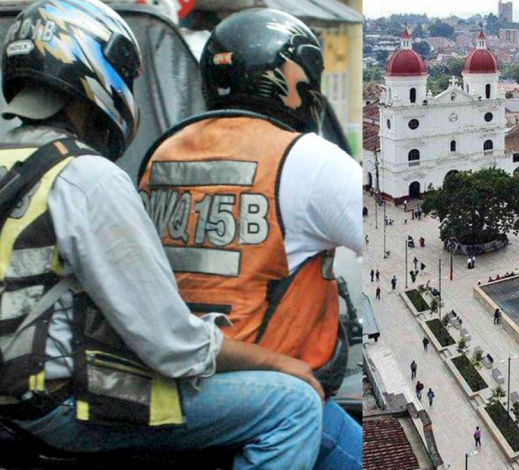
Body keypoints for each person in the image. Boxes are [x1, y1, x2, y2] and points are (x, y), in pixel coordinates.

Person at [0, 2, 322, 469]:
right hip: (58, 406)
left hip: (13, 403)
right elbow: (173, 347)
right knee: (293, 405)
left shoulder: (14, 161)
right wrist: (280, 363)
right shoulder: (84, 176)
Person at [138, 9, 361, 469]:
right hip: (265, 388)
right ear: (292, 78)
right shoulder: (305, 158)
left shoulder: (163, 151)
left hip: (168, 383)